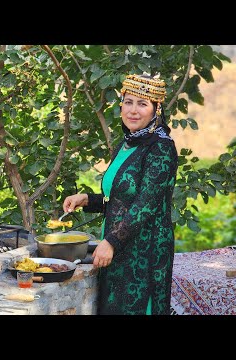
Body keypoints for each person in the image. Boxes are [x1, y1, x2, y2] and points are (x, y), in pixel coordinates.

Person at [63, 73, 178, 315]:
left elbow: (145, 204)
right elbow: (120, 198)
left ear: (156, 109)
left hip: (144, 253)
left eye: (142, 104)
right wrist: (87, 199)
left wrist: (111, 242)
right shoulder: (127, 143)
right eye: (128, 102)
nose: (133, 111)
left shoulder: (161, 148)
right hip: (118, 248)